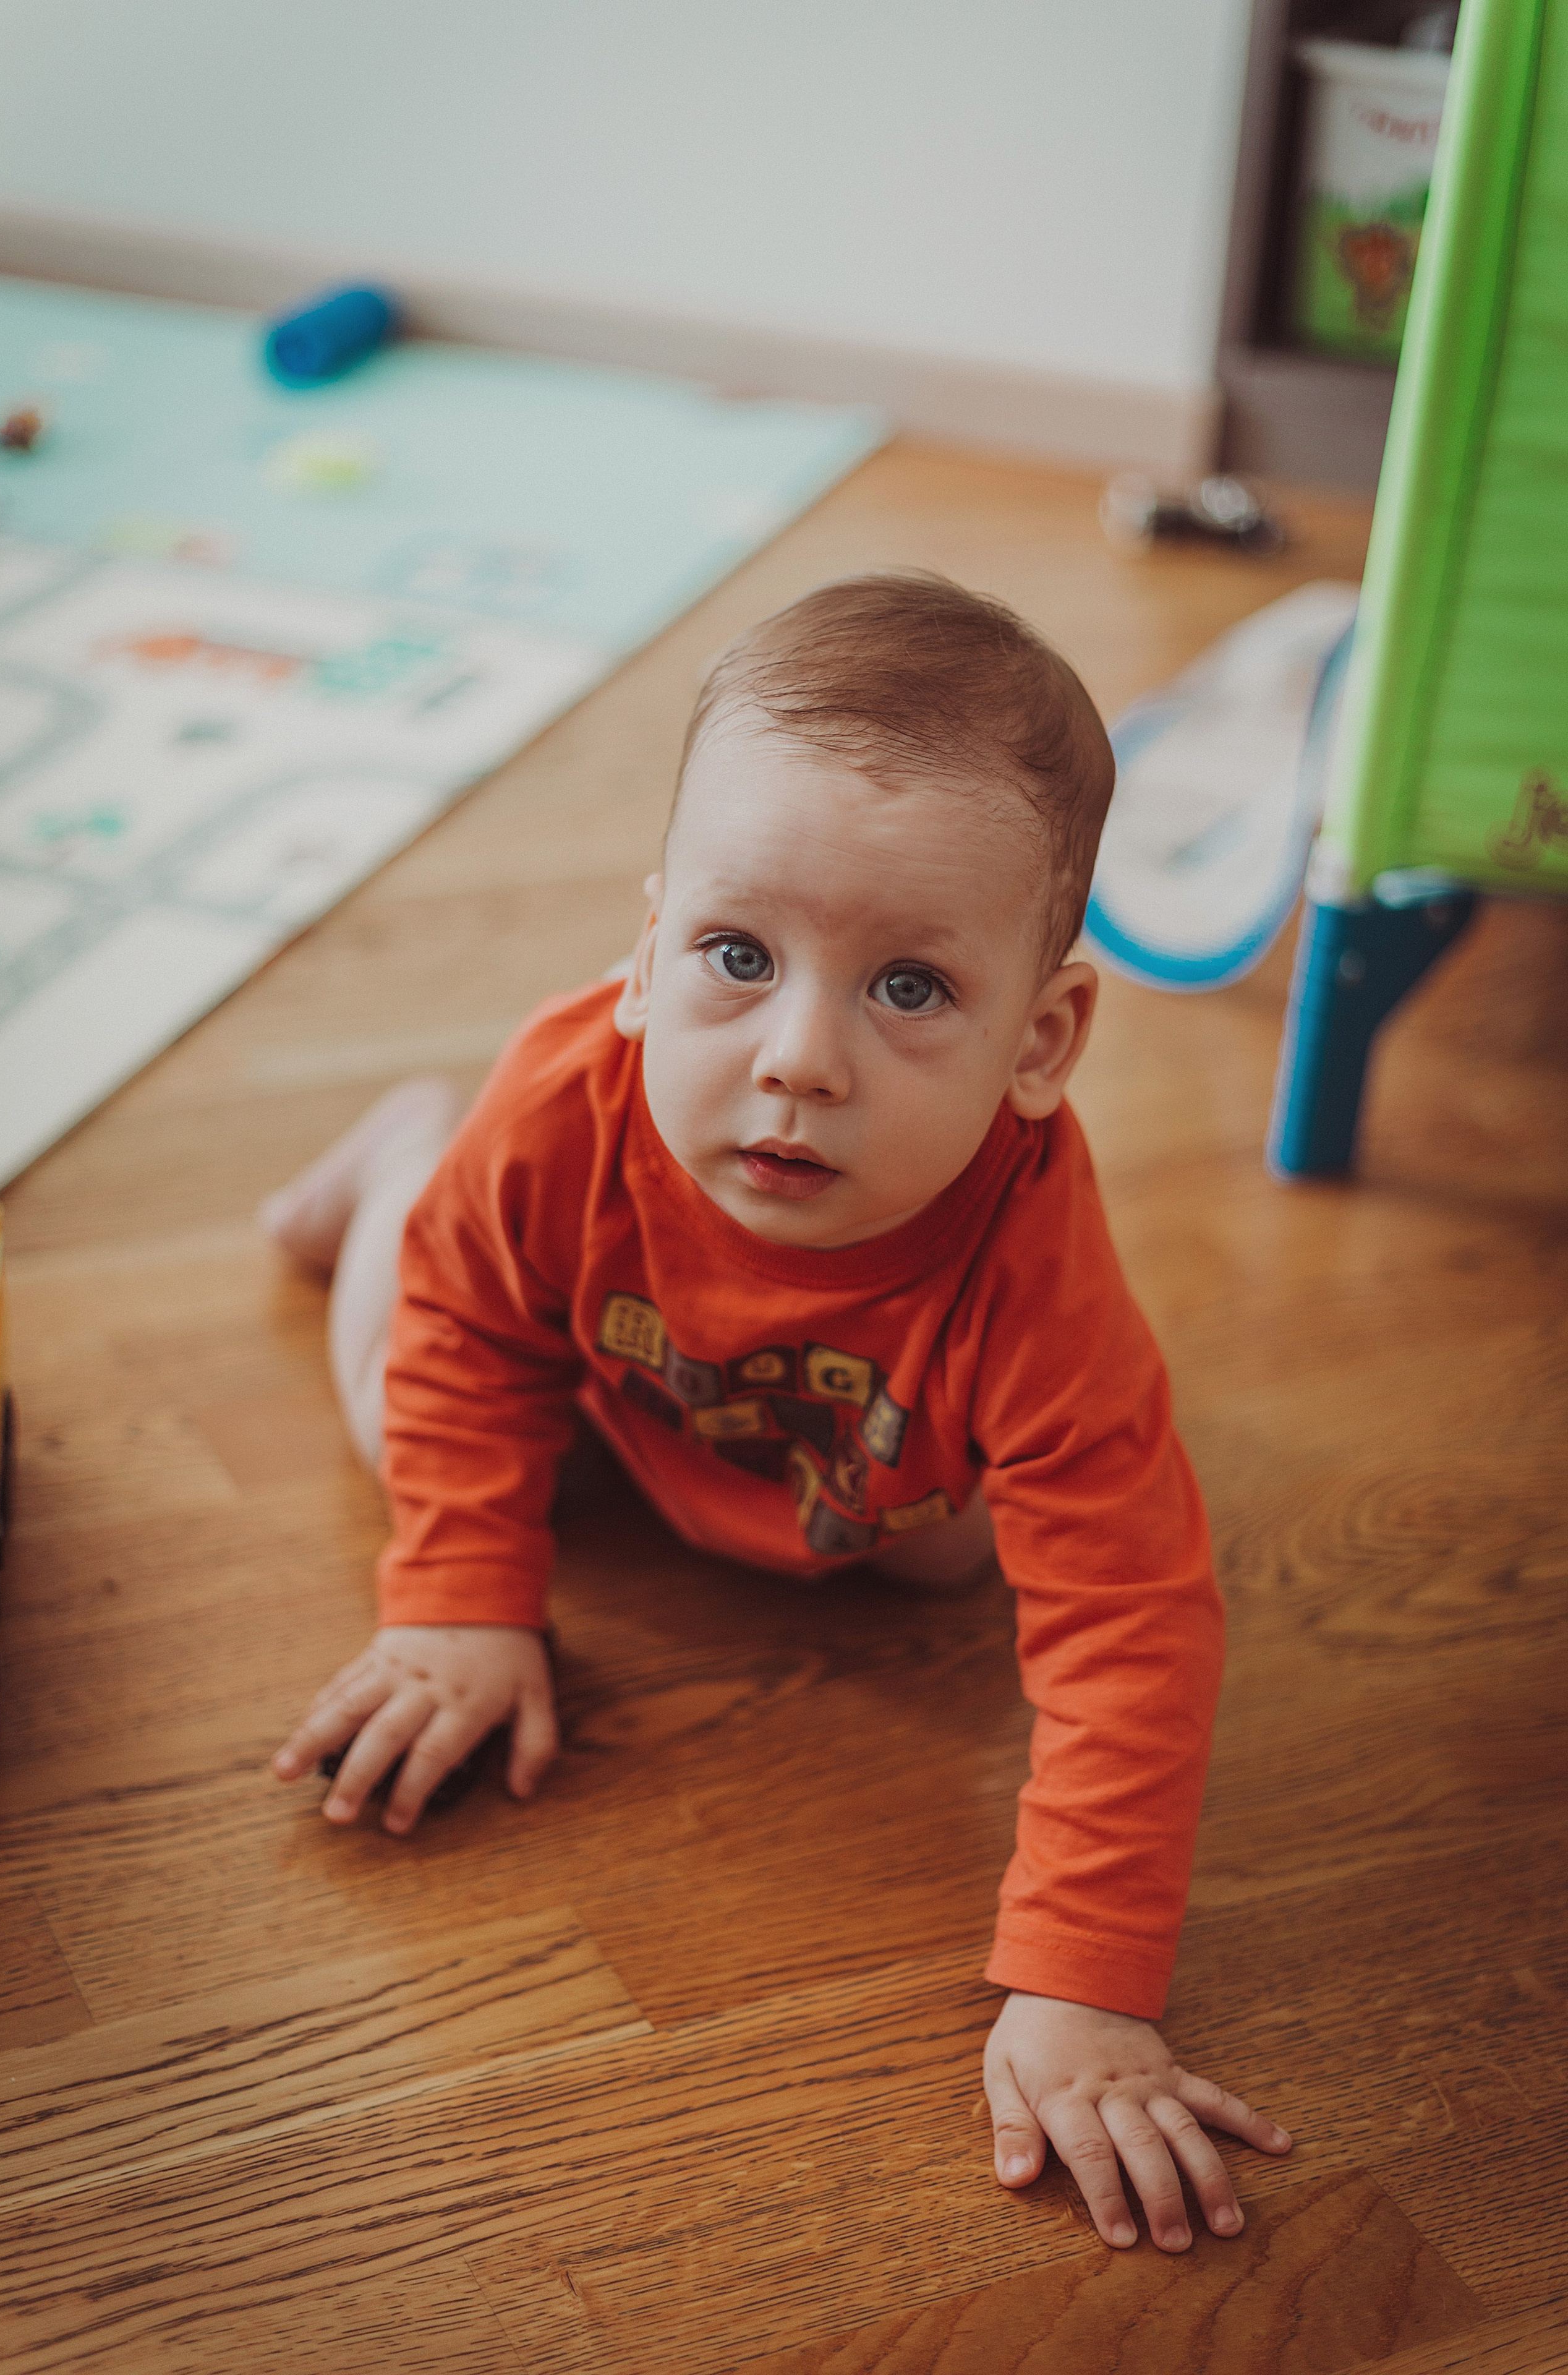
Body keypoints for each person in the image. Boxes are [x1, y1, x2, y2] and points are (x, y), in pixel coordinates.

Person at [265, 572, 1291, 2253]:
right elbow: (469, 1320)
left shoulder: (1041, 1280)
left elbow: (1131, 1622)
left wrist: (1082, 1984)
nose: (799, 1058)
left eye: (910, 990)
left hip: (823, 1456)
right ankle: (394, 1157)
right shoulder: (563, 1112)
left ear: (1043, 1041)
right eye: (736, 959)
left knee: (947, 1562)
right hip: (584, 1362)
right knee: (404, 1406)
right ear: (647, 956)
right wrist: (457, 1598)